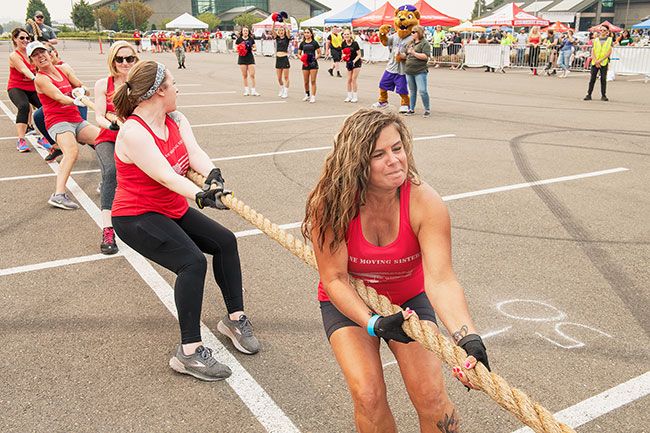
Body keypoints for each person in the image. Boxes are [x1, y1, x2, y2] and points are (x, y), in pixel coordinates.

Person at [302, 108, 490, 433]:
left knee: (431, 396)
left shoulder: (424, 202)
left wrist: (468, 339)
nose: (395, 160)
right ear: (357, 162)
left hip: (409, 302)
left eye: (397, 148)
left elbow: (441, 279)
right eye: (379, 154)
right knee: (368, 395)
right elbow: (334, 279)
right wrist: (373, 322)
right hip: (349, 304)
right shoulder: (330, 205)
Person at [111, 60, 260, 380]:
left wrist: (213, 175)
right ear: (159, 91)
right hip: (136, 216)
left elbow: (194, 153)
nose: (178, 89)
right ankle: (189, 352)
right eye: (174, 83)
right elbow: (165, 176)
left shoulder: (175, 118)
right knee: (191, 262)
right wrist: (200, 195)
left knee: (225, 242)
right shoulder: (134, 132)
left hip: (169, 208)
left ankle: (235, 319)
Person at [29, 41, 100, 210]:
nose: (41, 56)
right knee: (71, 152)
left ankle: (107, 181)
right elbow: (59, 97)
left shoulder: (63, 69)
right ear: (32, 62)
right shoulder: (40, 79)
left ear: (50, 53)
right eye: (35, 55)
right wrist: (76, 99)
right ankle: (58, 195)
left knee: (105, 140)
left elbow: (82, 87)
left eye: (42, 52)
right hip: (57, 122)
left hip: (75, 120)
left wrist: (81, 91)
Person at [92, 41, 139, 255]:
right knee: (111, 173)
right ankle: (108, 229)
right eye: (120, 59)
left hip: (135, 140)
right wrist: (112, 123)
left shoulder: (141, 83)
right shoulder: (104, 84)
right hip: (109, 138)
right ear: (112, 60)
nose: (125, 62)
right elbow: (99, 116)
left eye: (129, 58)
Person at [7, 27, 45, 153]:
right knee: (23, 106)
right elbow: (24, 69)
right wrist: (35, 78)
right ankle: (21, 140)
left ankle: (44, 137)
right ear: (15, 40)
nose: (25, 40)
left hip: (33, 87)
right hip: (16, 87)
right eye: (21, 38)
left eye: (27, 38)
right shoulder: (14, 56)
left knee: (45, 107)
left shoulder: (32, 53)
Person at [405, 26, 431, 117]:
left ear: (419, 33)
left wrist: (414, 53)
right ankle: (411, 109)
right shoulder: (410, 43)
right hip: (409, 70)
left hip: (420, 70)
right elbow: (405, 54)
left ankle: (427, 109)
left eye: (413, 32)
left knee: (422, 91)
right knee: (412, 91)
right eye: (411, 32)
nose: (412, 34)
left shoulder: (424, 43)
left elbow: (425, 57)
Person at [584, 26, 612, 101]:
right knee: (592, 79)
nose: (602, 31)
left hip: (603, 61)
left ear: (607, 32)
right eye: (601, 30)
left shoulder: (610, 40)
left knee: (603, 79)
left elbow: (609, 52)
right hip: (595, 61)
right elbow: (593, 51)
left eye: (604, 30)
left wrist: (600, 61)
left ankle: (603, 95)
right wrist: (595, 60)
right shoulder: (595, 40)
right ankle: (589, 94)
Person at [298, 28, 321, 103]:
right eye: (305, 32)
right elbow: (298, 53)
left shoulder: (315, 43)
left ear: (311, 34)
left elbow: (319, 53)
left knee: (313, 81)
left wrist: (314, 59)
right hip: (305, 64)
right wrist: (302, 58)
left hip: (313, 64)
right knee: (306, 81)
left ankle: (313, 96)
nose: (306, 34)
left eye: (308, 32)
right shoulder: (302, 43)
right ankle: (307, 94)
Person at [236, 26, 259, 96]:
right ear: (242, 32)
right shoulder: (239, 39)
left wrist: (253, 48)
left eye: (246, 31)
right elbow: (236, 48)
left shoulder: (251, 39)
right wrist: (240, 49)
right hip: (242, 58)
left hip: (250, 58)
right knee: (244, 75)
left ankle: (253, 90)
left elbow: (255, 47)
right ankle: (246, 90)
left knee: (252, 75)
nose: (245, 32)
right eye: (244, 31)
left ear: (248, 32)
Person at [271, 21, 291, 99]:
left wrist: (284, 22)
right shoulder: (277, 38)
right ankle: (282, 88)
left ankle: (286, 91)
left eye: (282, 30)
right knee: (279, 78)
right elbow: (272, 30)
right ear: (278, 32)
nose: (281, 32)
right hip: (278, 59)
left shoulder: (287, 38)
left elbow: (288, 30)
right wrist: (274, 22)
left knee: (286, 77)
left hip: (285, 58)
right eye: (280, 30)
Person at [341, 29, 362, 103]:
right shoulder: (343, 43)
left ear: (350, 35)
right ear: (343, 35)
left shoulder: (355, 44)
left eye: (347, 34)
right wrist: (343, 58)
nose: (346, 36)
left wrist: (354, 61)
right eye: (345, 34)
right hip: (349, 62)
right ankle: (349, 96)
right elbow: (343, 53)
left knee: (353, 79)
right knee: (349, 79)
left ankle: (355, 96)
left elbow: (359, 55)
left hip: (356, 62)